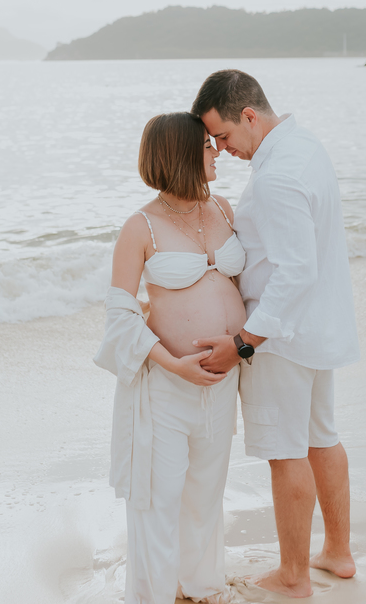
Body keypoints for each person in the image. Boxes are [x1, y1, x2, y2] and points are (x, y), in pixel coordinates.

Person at [191, 70, 360, 598]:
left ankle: (293, 575)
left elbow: (294, 272)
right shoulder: (304, 147)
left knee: (287, 453)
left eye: (222, 136)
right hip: (315, 330)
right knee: (321, 438)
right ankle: (337, 552)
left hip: (281, 340)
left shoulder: (277, 176)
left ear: (248, 116)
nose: (221, 148)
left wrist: (244, 342)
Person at [94, 112, 246, 604]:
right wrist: (173, 363)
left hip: (222, 383)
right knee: (158, 502)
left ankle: (201, 589)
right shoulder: (141, 226)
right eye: (206, 145)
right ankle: (154, 597)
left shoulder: (222, 208)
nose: (216, 151)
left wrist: (243, 343)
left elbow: (242, 284)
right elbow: (119, 315)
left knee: (205, 493)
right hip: (167, 387)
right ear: (179, 154)